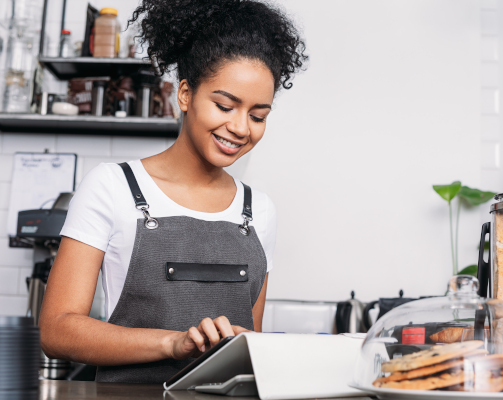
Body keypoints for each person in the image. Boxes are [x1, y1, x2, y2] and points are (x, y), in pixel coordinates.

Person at [39, 0, 307, 384]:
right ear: (185, 94)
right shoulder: (113, 186)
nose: (241, 127)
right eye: (224, 105)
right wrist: (173, 343)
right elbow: (57, 331)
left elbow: (250, 348)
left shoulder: (258, 210)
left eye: (258, 115)